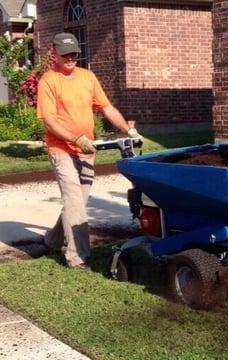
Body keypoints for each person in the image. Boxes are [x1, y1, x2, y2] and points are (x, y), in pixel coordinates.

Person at [37, 32, 142, 269]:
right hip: (61, 149)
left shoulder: (87, 77)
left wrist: (129, 131)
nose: (71, 57)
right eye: (65, 54)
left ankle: (53, 239)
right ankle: (78, 257)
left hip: (87, 151)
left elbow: (107, 107)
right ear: (55, 54)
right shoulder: (49, 81)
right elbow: (51, 123)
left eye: (74, 53)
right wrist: (76, 138)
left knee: (77, 203)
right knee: (74, 201)